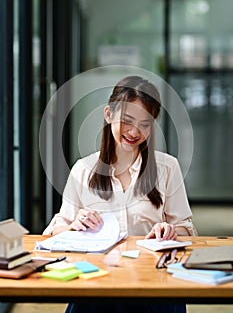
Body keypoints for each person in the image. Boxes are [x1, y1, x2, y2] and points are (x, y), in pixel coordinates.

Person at [43, 75, 197, 313]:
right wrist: (75, 224)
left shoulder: (168, 167)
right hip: (97, 284)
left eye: (145, 124)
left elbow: (188, 229)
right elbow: (54, 232)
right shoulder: (83, 170)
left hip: (153, 283)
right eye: (127, 120)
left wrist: (171, 230)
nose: (134, 132)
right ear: (108, 114)